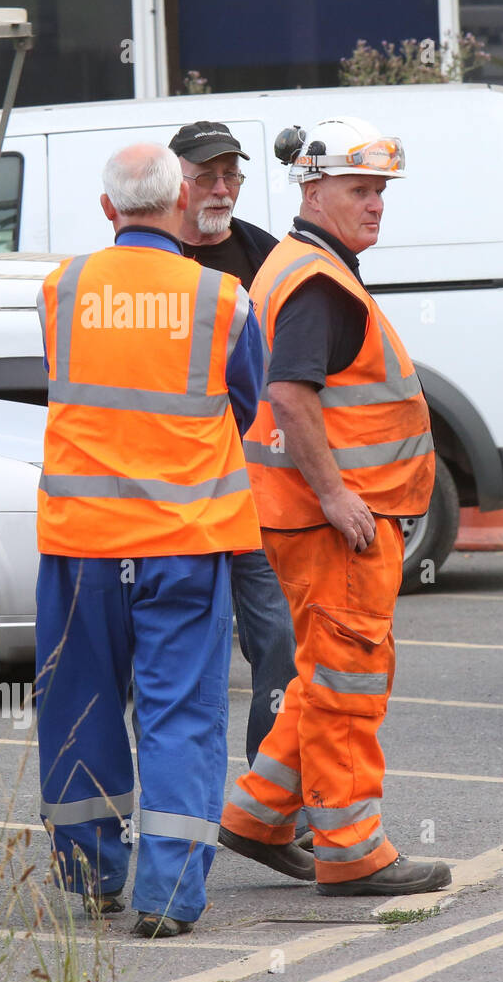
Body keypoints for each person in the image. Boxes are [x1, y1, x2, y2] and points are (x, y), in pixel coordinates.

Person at [34, 142, 264, 938]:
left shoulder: (60, 290)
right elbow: (244, 400)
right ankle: (166, 898)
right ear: (176, 207)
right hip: (185, 543)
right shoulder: (224, 299)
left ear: (108, 209)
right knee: (181, 719)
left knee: (81, 708)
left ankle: (93, 875)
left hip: (81, 545)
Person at [219, 116, 451, 896]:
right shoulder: (318, 280)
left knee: (325, 675)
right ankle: (350, 849)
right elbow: (289, 392)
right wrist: (337, 492)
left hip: (307, 515)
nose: (376, 204)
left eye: (381, 190)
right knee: (350, 678)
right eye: (360, 189)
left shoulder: (300, 265)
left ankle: (257, 814)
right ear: (313, 187)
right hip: (333, 521)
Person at [168, 121, 299, 771]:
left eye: (231, 175)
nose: (221, 189)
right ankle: (171, 802)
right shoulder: (151, 262)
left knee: (278, 640)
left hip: (256, 491)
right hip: (175, 500)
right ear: (176, 184)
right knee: (179, 658)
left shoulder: (269, 258)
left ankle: (270, 800)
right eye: (206, 176)